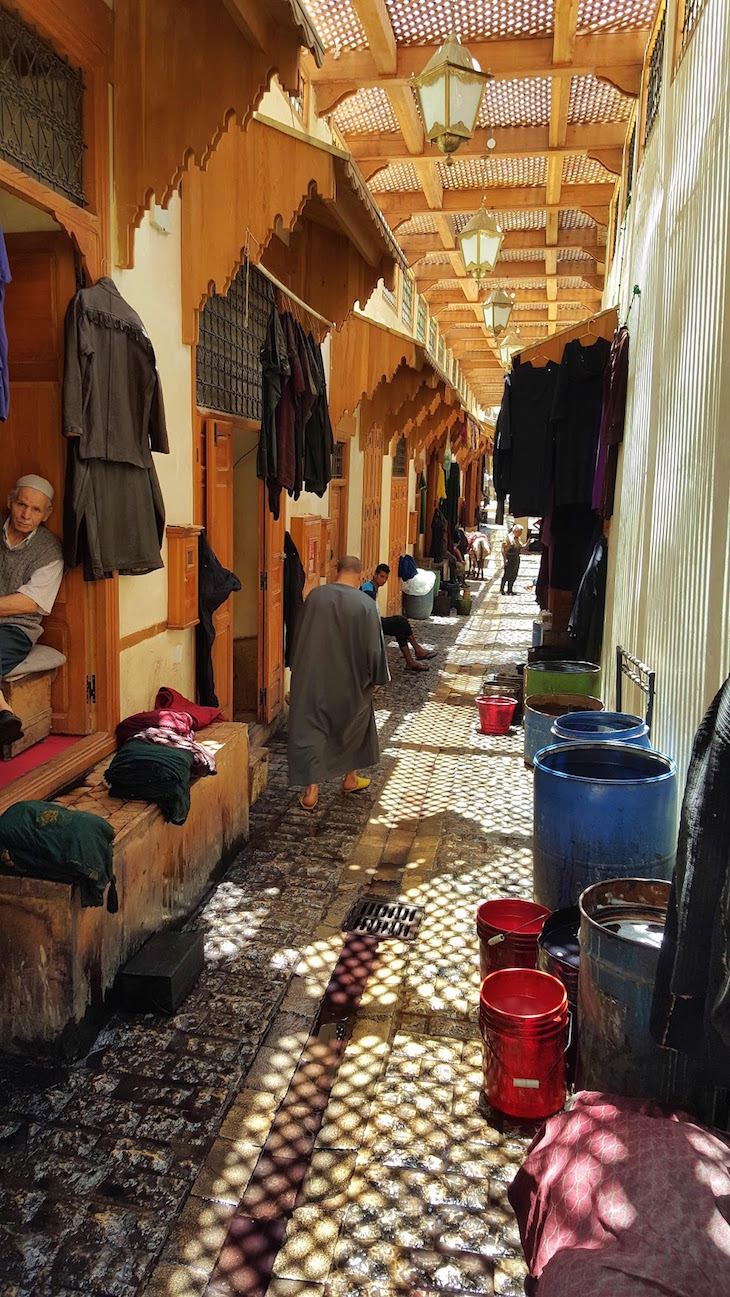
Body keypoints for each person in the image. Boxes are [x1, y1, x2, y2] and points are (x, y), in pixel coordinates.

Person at [288, 555, 390, 812]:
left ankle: (311, 793)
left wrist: (296, 672)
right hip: (351, 682)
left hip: (314, 679)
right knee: (353, 727)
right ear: (359, 576)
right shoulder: (366, 605)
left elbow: (298, 635)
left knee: (312, 730)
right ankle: (350, 778)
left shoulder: (315, 597)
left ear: (336, 571)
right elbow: (374, 648)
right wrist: (377, 679)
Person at [0, 475, 64, 743]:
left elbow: (29, 602)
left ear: (46, 514)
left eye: (35, 509)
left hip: (17, 629)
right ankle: (3, 712)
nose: (25, 515)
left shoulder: (49, 551)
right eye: (21, 505)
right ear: (10, 502)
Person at [361, 563, 437, 673]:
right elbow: (368, 609)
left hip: (373, 621)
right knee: (400, 621)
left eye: (386, 578)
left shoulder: (372, 587)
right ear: (375, 575)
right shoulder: (368, 588)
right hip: (369, 624)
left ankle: (412, 659)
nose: (384, 580)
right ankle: (417, 651)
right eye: (382, 576)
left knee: (400, 627)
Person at [500, 524, 526, 595]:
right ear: (516, 531)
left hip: (516, 557)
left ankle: (510, 590)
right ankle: (502, 589)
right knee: (507, 574)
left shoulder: (518, 538)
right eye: (520, 532)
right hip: (509, 557)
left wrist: (528, 544)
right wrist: (505, 559)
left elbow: (521, 547)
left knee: (514, 574)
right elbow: (503, 549)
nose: (521, 533)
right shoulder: (509, 538)